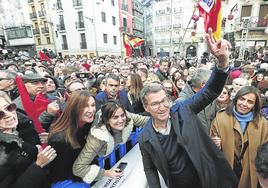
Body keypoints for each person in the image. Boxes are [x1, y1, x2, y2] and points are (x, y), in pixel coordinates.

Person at [138, 28, 238, 188]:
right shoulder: (145, 137)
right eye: (155, 104)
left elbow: (210, 91)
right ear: (146, 107)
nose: (162, 107)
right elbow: (149, 169)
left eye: (164, 101)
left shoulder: (183, 109)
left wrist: (222, 63)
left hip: (208, 180)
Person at [72, 101, 148, 184]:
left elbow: (143, 120)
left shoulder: (123, 114)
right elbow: (78, 168)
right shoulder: (98, 137)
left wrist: (162, 121)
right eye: (115, 117)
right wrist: (107, 173)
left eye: (122, 115)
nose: (121, 120)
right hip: (99, 161)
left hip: (116, 156)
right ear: (107, 120)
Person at [210, 86, 268, 188]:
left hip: (251, 171)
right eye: (242, 99)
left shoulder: (263, 124)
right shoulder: (220, 118)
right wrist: (215, 144)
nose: (244, 104)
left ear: (254, 105)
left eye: (250, 102)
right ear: (236, 99)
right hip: (227, 169)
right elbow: (211, 147)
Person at [0, 91, 57, 188]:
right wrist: (38, 165)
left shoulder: (22, 126)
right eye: (0, 114)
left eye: (9, 108)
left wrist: (42, 140)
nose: (9, 115)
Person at [47, 90, 96, 185]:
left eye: (93, 105)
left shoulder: (87, 126)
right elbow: (61, 174)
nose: (91, 110)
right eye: (85, 106)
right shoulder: (59, 139)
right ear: (74, 108)